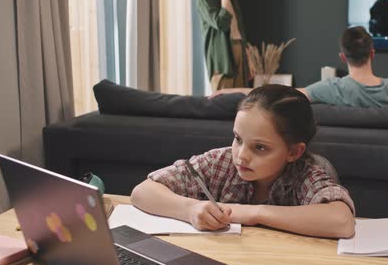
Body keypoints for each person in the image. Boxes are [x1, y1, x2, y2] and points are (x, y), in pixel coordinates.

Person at [131, 84, 355, 239]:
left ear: (294, 152)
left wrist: (254, 213)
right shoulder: (221, 161)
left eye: (260, 147)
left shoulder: (305, 173)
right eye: (238, 139)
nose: (241, 155)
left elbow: (342, 221)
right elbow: (142, 192)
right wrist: (190, 208)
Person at [211, 26, 388, 119]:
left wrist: (233, 90)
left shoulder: (331, 89)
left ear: (343, 57)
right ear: (373, 53)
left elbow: (278, 94)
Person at [197, 0, 250, 92]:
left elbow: (240, 30)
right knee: (223, 101)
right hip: (223, 59)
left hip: (238, 49)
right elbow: (221, 24)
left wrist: (248, 58)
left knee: (240, 100)